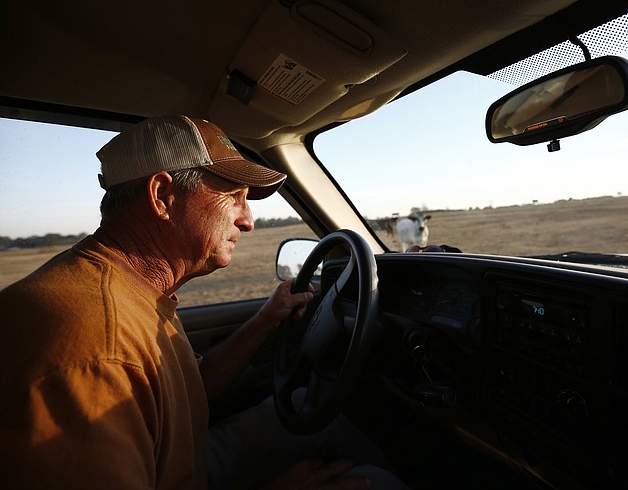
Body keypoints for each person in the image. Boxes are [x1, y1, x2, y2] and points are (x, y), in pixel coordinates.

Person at [0, 116, 407, 489]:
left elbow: (189, 391)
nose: (247, 220)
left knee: (312, 410)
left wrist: (267, 318)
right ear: (162, 196)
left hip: (184, 460)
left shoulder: (130, 289)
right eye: (235, 197)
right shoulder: (95, 346)